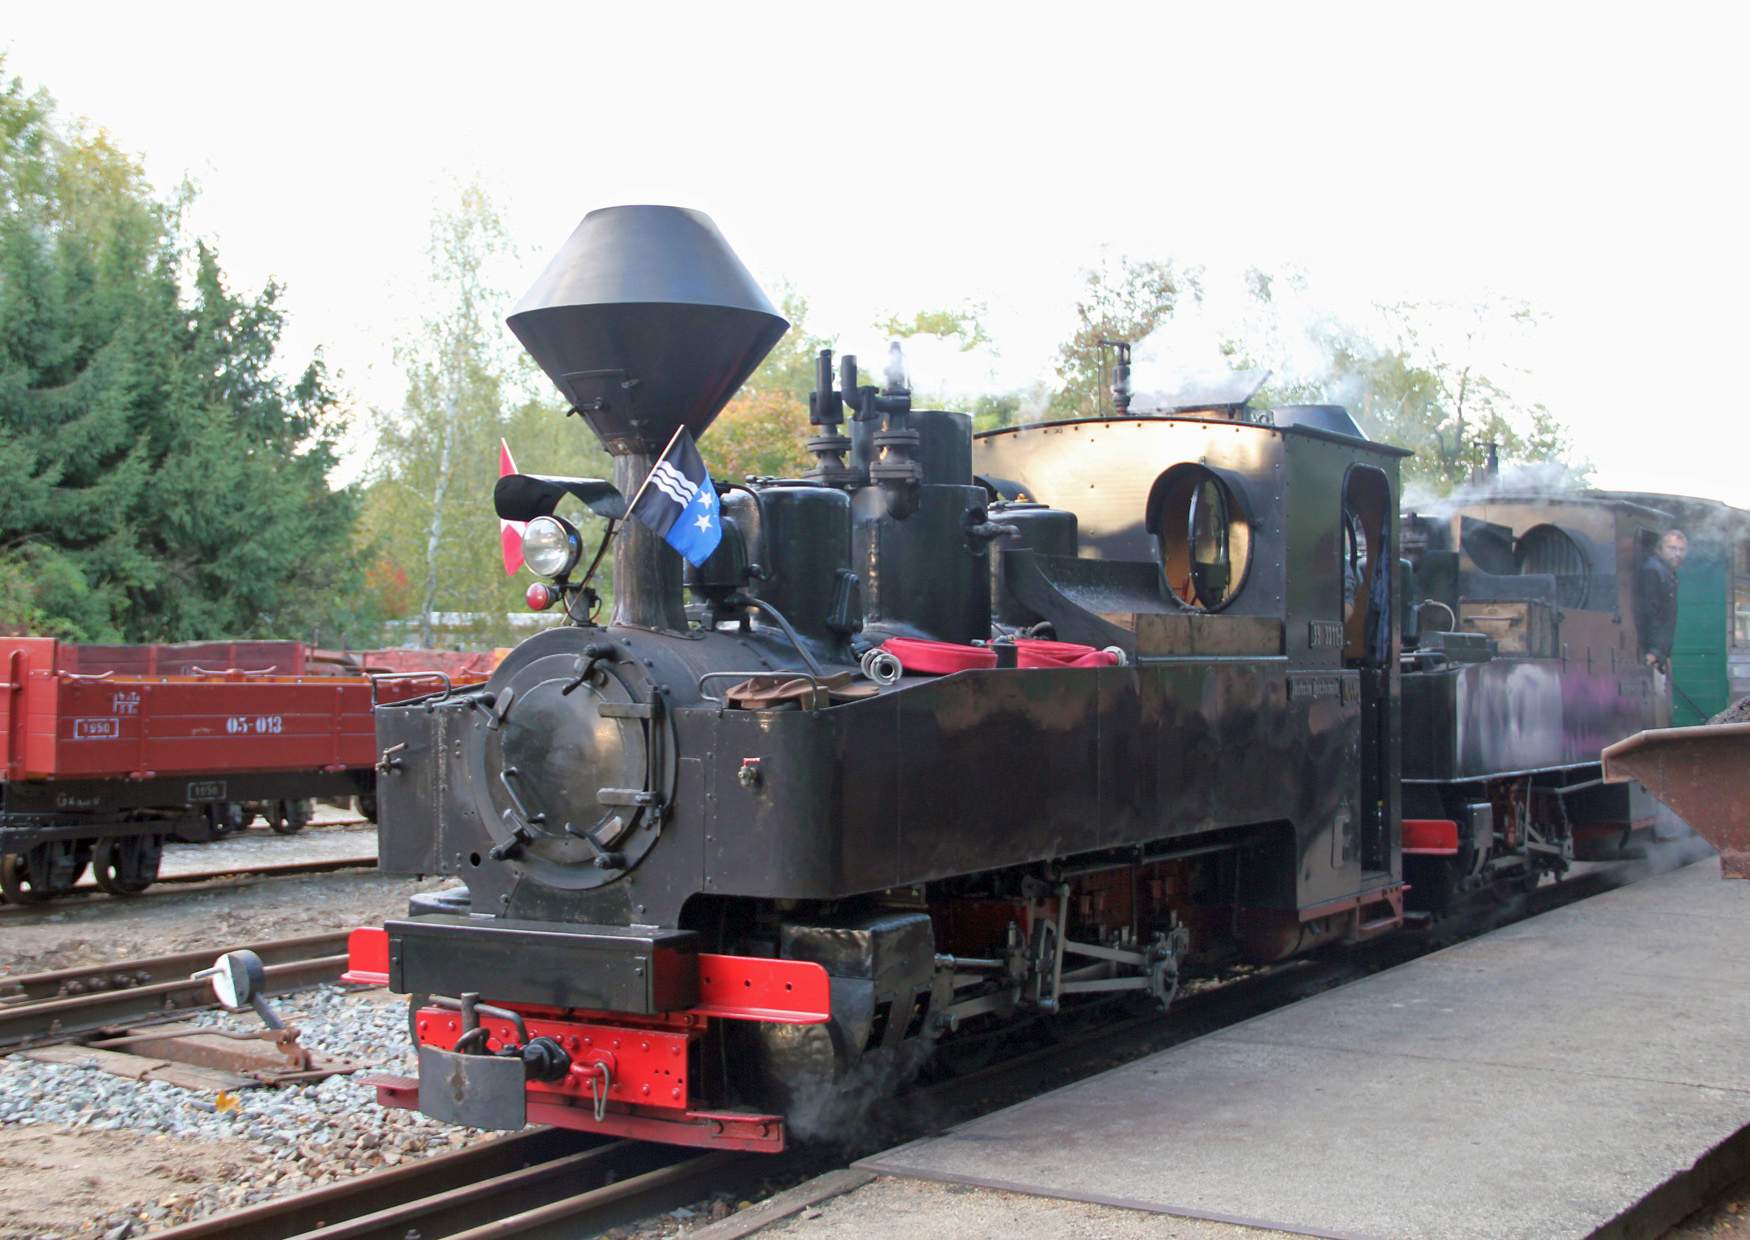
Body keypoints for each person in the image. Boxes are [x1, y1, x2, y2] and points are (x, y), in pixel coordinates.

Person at [1634, 529, 1688, 672]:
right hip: (1651, 652)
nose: (1677, 554)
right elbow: (1650, 612)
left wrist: (1664, 653)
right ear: (1659, 549)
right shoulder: (1653, 570)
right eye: (1672, 548)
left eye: (1681, 550)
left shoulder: (1667, 571)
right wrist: (1655, 651)